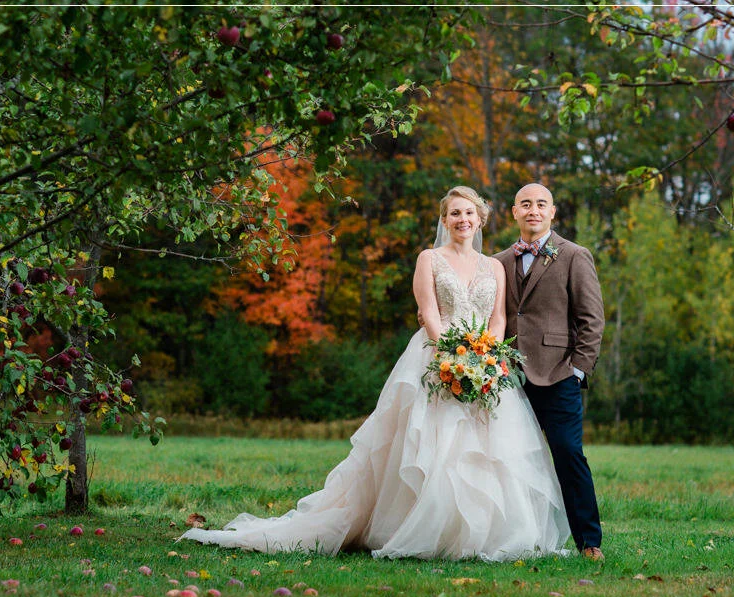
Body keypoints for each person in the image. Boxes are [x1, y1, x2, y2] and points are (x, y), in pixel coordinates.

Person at [180, 186, 569, 561]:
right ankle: (418, 528)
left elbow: (498, 317)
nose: (462, 219)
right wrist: (451, 356)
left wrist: (488, 360)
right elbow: (429, 312)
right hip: (437, 357)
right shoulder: (428, 259)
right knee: (430, 444)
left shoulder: (494, 267)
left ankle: (480, 535)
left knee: (486, 452)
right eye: (455, 213)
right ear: (445, 220)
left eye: (469, 213)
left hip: (485, 364)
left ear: (481, 218)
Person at [491, 183, 606, 562]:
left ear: (552, 212)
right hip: (508, 378)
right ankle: (509, 538)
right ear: (514, 212)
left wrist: (578, 370)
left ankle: (589, 542)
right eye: (526, 204)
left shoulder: (575, 256)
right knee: (506, 459)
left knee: (569, 454)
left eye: (541, 204)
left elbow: (591, 319)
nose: (533, 210)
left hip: (559, 375)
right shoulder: (498, 262)